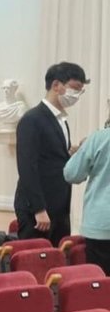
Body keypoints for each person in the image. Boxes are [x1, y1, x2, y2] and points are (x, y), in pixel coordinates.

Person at [15, 61, 89, 246]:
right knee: (36, 259)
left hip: (59, 204)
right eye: (75, 88)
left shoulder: (61, 119)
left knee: (58, 261)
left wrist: (73, 152)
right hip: (39, 207)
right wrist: (39, 208)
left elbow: (53, 156)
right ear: (56, 85)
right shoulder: (32, 119)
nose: (77, 95)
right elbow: (26, 166)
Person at [63, 114, 110, 272]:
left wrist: (80, 151)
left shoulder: (98, 138)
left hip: (101, 223)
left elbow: (72, 174)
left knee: (101, 286)